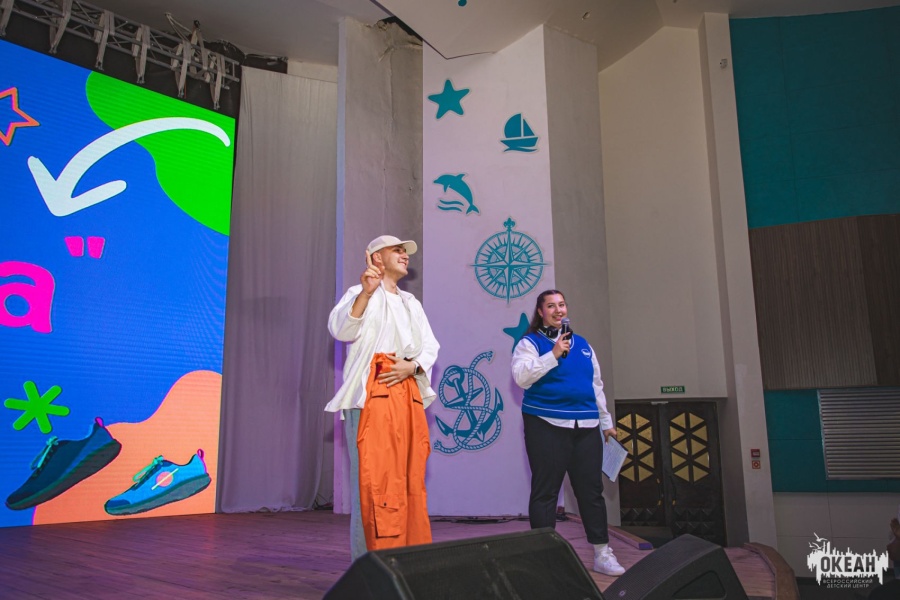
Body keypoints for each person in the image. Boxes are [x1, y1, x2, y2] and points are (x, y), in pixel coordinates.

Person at [326, 235, 440, 561]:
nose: (405, 256)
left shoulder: (411, 302)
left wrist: (412, 366)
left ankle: (406, 560)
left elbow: (430, 345)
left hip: (406, 392)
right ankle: (368, 566)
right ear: (377, 257)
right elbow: (342, 330)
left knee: (407, 479)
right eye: (397, 250)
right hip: (370, 397)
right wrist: (366, 291)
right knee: (373, 485)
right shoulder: (360, 293)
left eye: (406, 252)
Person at [511, 289, 625, 576]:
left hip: (586, 426)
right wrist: (553, 354)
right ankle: (545, 558)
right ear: (540, 312)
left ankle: (602, 553)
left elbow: (596, 385)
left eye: (561, 304)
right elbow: (521, 377)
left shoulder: (584, 345)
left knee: (592, 492)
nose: (558, 310)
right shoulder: (529, 343)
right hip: (546, 424)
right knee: (546, 492)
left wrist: (606, 423)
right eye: (551, 306)